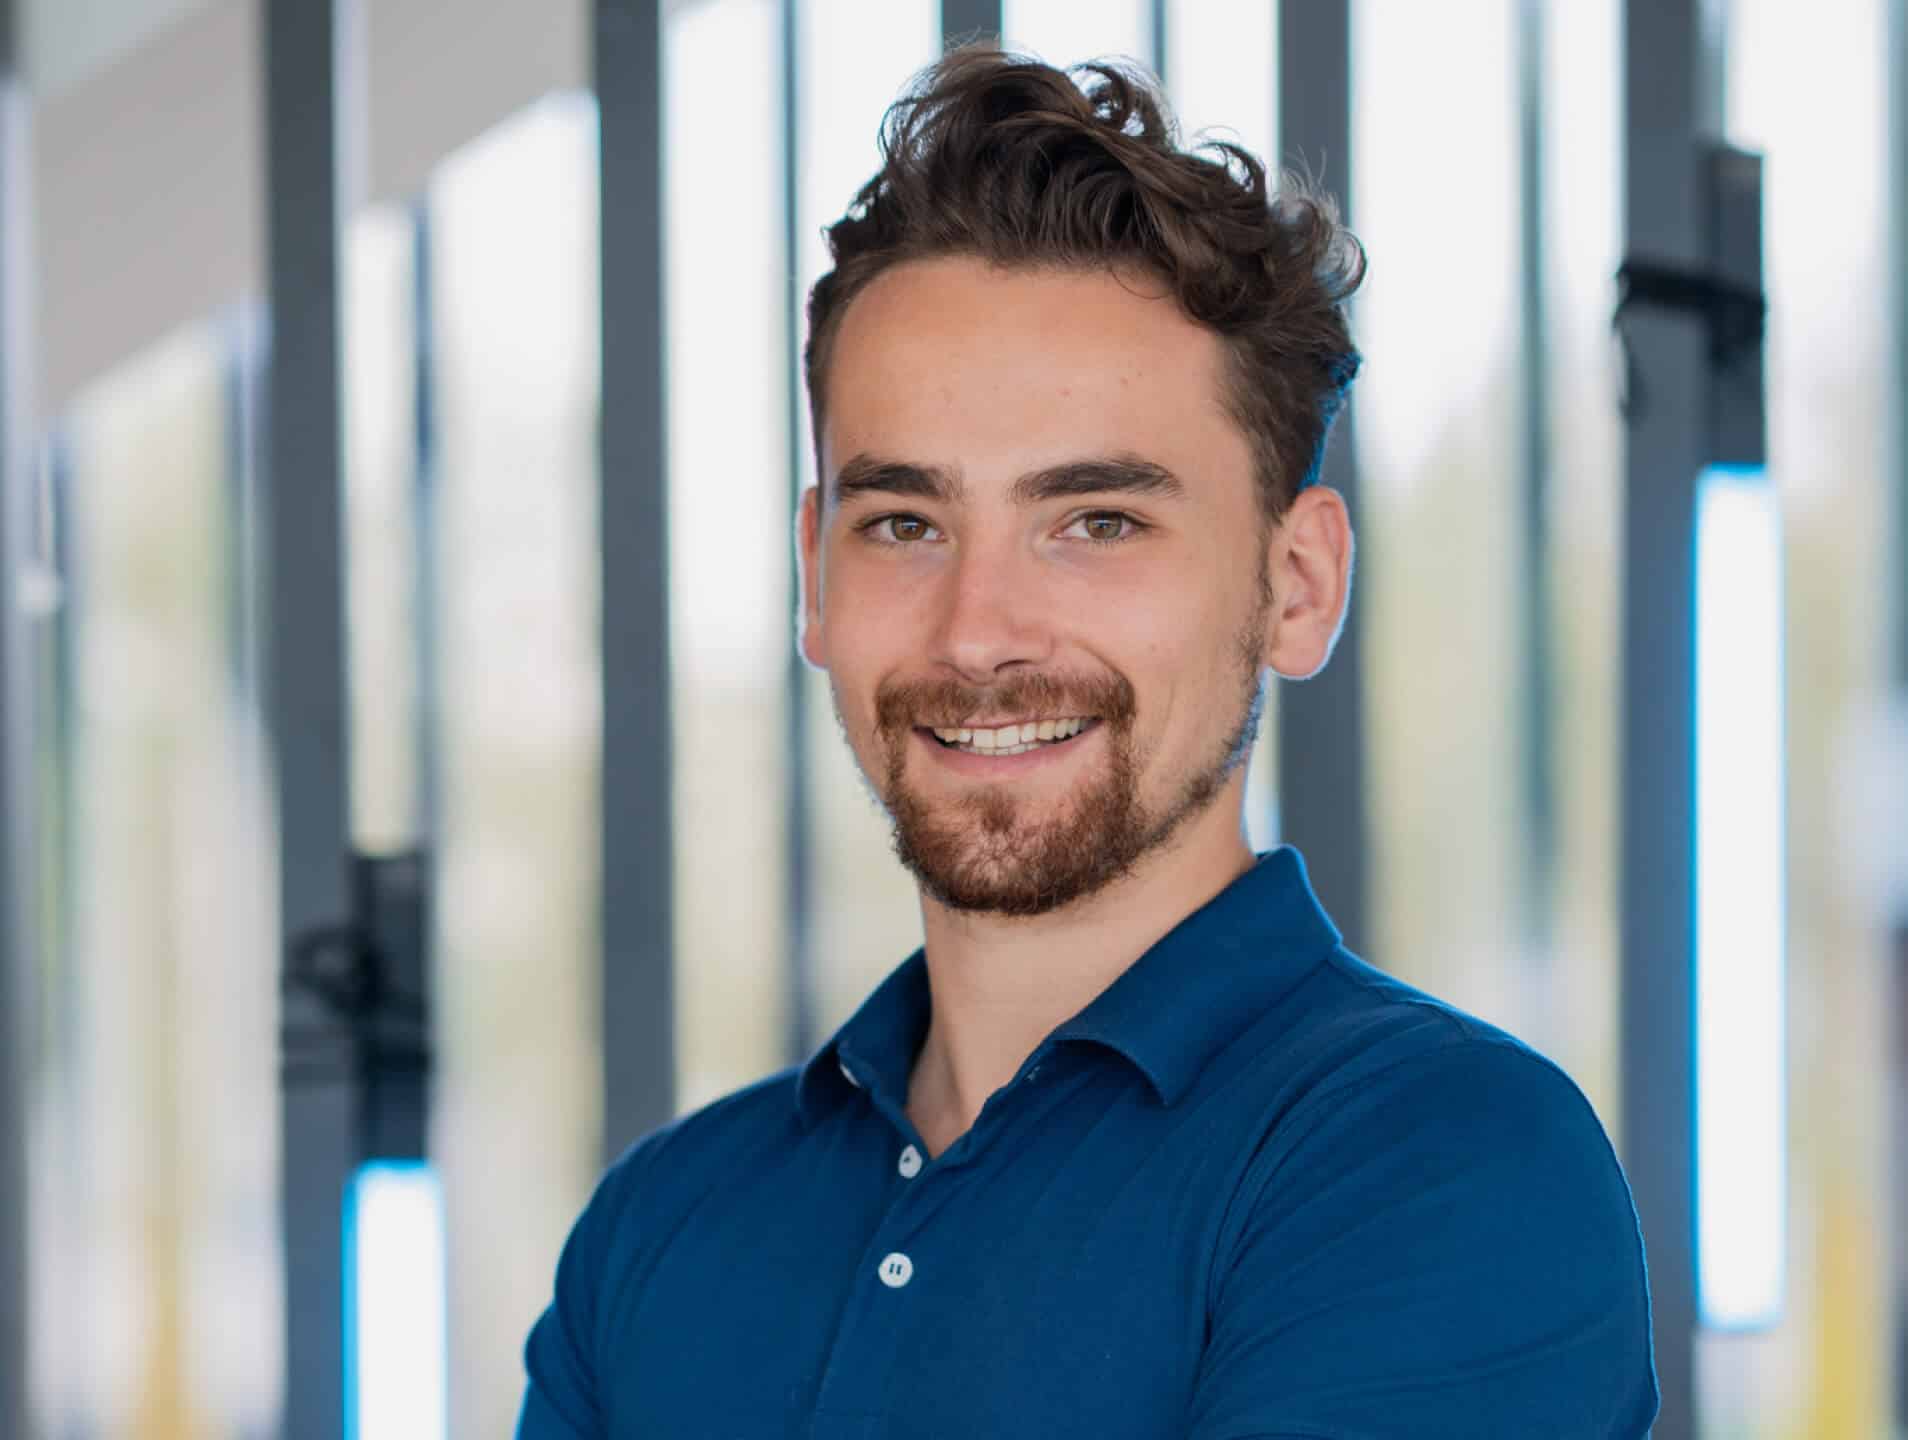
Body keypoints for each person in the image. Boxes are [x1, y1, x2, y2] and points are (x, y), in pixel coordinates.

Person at [518, 45, 1658, 1439]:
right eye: (904, 524)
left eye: (1098, 523)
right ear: (815, 575)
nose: (979, 633)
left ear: (1298, 585)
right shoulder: (661, 1229)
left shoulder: (1442, 1167)